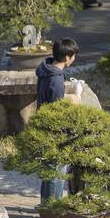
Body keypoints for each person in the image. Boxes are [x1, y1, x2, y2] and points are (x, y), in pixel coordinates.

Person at [36, 37, 79, 202]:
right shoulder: (56, 79)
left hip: (43, 124)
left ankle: (46, 205)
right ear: (67, 57)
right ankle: (54, 207)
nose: (73, 59)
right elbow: (58, 110)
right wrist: (76, 97)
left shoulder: (45, 70)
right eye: (73, 56)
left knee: (49, 170)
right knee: (57, 171)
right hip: (54, 131)